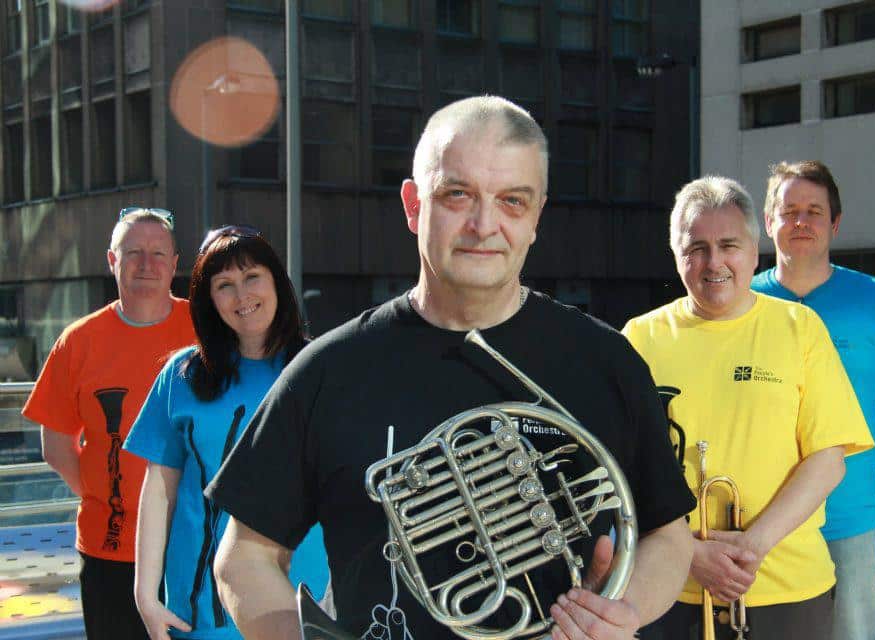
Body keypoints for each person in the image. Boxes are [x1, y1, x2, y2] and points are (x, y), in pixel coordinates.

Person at [205, 95, 696, 640]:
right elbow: (244, 559)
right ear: (414, 205)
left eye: (513, 200)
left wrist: (624, 610)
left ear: (536, 217)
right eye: (458, 194)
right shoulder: (327, 369)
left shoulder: (607, 361)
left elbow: (668, 537)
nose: (485, 225)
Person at [622, 176, 874, 639]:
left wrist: (752, 547)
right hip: (669, 587)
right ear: (676, 253)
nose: (713, 262)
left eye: (728, 245)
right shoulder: (639, 337)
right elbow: (622, 468)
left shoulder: (800, 327)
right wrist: (690, 555)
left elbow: (827, 459)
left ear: (753, 250)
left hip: (789, 589)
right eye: (696, 247)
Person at [752, 160, 875, 640]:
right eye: (789, 209)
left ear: (834, 224)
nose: (801, 221)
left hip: (850, 522)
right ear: (768, 221)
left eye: (814, 211)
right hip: (756, 522)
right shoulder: (742, 301)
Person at [123, 225, 322, 640]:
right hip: (200, 613)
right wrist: (145, 595)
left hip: (307, 608)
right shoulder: (182, 375)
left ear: (276, 283)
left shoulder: (321, 369)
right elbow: (159, 489)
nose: (242, 295)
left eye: (252, 277)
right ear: (208, 300)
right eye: (224, 285)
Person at [22, 208, 196, 640]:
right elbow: (56, 445)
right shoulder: (78, 341)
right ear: (112, 261)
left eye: (159, 253)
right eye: (133, 252)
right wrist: (109, 496)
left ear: (175, 264)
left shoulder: (207, 330)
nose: (146, 264)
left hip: (193, 546)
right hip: (110, 551)